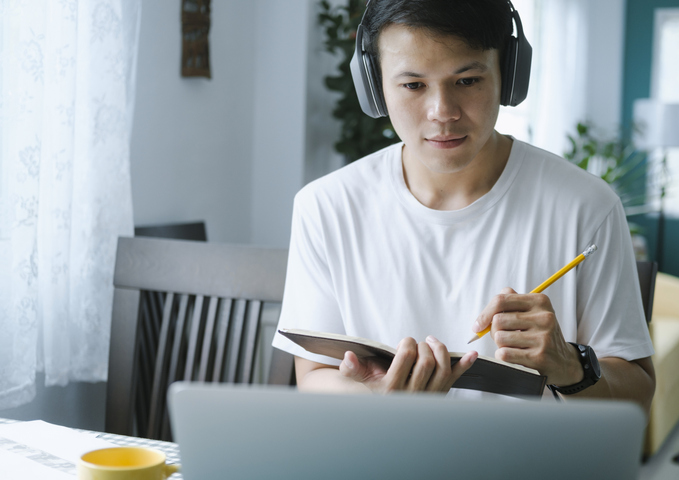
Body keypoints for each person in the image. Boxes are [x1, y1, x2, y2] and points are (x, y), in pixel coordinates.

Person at [271, 0, 655, 410]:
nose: (443, 113)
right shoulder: (326, 206)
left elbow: (637, 396)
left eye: (468, 80)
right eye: (413, 85)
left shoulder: (586, 206)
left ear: (508, 76)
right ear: (374, 85)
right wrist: (377, 401)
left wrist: (572, 368)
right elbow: (314, 374)